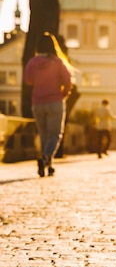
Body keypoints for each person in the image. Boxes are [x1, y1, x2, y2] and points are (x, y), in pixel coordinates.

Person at [24, 32, 72, 177]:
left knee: (44, 135)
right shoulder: (57, 62)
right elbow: (68, 79)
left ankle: (49, 166)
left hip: (38, 103)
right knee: (55, 135)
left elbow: (28, 81)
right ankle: (46, 157)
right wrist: (64, 93)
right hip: (55, 101)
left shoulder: (32, 62)